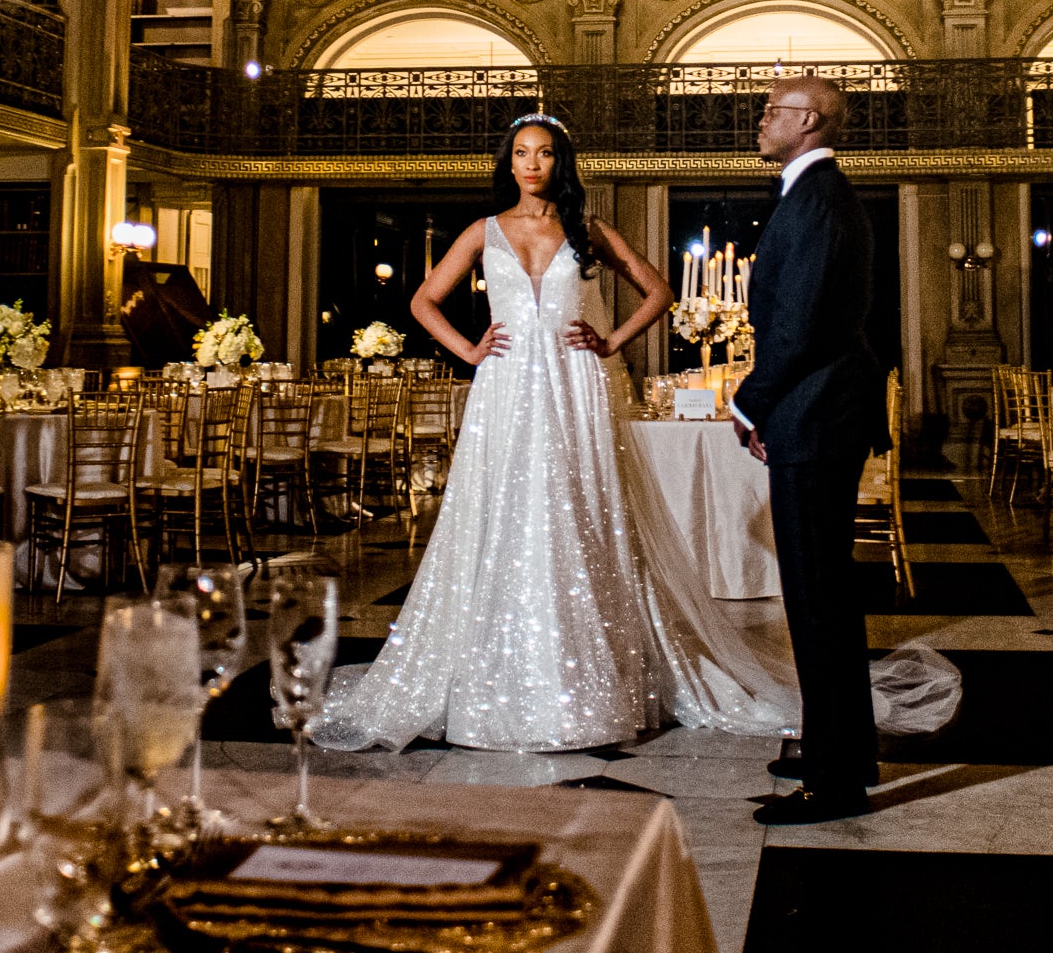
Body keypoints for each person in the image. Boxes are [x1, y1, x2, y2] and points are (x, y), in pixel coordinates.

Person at [311, 112, 801, 752]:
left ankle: (593, 672)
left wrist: (612, 341)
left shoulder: (587, 230)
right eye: (521, 153)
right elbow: (422, 301)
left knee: (581, 507)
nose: (532, 163)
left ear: (559, 163)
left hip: (577, 381)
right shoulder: (484, 231)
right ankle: (505, 670)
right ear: (508, 163)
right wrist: (468, 349)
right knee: (505, 510)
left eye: (543, 153)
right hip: (508, 384)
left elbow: (657, 291)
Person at [729, 72, 887, 823]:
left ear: (812, 120)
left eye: (772, 111)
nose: (761, 121)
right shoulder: (809, 194)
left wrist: (747, 400)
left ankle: (838, 778)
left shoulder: (819, 200)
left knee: (819, 598)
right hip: (814, 413)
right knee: (819, 595)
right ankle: (844, 747)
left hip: (818, 414)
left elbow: (800, 327)